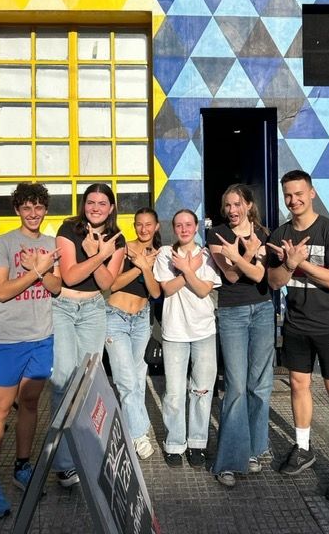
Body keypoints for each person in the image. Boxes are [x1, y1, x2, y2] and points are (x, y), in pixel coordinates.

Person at [267, 169, 329, 502]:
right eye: (288, 195)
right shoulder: (281, 233)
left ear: (312, 193)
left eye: (299, 193)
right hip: (296, 325)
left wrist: (300, 264)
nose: (294, 200)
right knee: (299, 386)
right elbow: (275, 282)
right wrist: (288, 264)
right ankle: (303, 448)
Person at [0, 182, 61, 519]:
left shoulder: (52, 244)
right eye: (26, 207)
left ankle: (22, 467)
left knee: (29, 404)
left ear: (44, 209)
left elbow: (56, 288)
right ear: (17, 210)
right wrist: (38, 269)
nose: (33, 213)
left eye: (39, 206)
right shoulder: (2, 244)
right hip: (9, 340)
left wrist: (43, 270)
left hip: (43, 337)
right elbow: (3, 291)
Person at [51, 183, 125, 487]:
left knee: (88, 380)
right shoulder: (69, 228)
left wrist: (99, 254)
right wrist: (98, 256)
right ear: (84, 205)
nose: (95, 208)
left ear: (110, 207)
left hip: (94, 309)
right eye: (91, 202)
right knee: (64, 381)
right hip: (64, 309)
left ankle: (87, 449)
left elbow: (108, 283)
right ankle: (64, 463)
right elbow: (69, 275)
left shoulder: (117, 239)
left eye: (102, 203)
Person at [207, 184, 275, 487]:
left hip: (262, 309)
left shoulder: (265, 233)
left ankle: (256, 448)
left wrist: (241, 256)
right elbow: (232, 275)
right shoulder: (216, 233)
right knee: (235, 386)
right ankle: (230, 461)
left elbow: (262, 277)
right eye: (227, 205)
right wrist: (247, 253)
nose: (232, 211)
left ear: (248, 205)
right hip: (233, 313)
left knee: (260, 384)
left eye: (237, 204)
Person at [153, 209, 221, 469]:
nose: (183, 229)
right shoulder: (164, 255)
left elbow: (204, 290)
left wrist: (187, 270)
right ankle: (174, 443)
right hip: (174, 333)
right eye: (179, 225)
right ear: (173, 228)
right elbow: (166, 289)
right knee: (173, 392)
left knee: (201, 390)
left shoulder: (206, 255)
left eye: (188, 224)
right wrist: (185, 271)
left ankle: (197, 443)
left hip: (203, 331)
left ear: (196, 227)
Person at [105, 207, 161, 459]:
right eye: (139, 224)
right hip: (115, 318)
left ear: (156, 226)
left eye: (148, 224)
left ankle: (130, 430)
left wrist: (147, 268)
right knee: (125, 380)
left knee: (137, 380)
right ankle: (140, 435)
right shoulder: (123, 248)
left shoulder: (160, 254)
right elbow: (112, 283)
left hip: (141, 321)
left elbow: (156, 292)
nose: (143, 229)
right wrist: (138, 267)